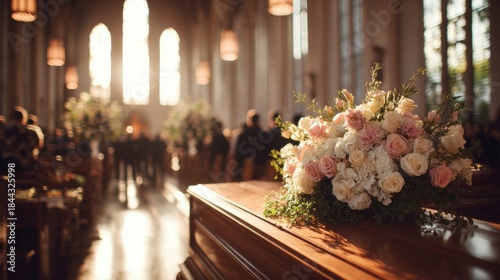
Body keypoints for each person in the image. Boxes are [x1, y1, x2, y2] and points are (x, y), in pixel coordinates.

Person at [234, 109, 268, 181]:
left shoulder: (243, 135)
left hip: (245, 169)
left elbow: (237, 153)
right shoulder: (265, 135)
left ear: (249, 120)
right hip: (263, 170)